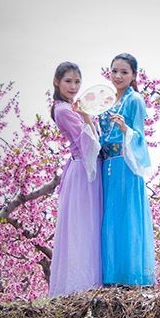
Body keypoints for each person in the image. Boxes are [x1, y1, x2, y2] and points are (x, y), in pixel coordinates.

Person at [98, 53, 156, 286]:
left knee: (127, 217)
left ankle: (130, 275)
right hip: (106, 164)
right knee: (109, 218)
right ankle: (110, 276)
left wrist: (125, 130)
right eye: (114, 71)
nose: (118, 76)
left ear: (133, 75)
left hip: (126, 164)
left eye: (124, 72)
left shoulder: (135, 100)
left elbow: (140, 137)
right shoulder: (105, 100)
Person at [47, 62, 102, 296]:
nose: (73, 86)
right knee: (83, 226)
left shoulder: (70, 107)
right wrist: (87, 117)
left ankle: (87, 283)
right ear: (57, 82)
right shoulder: (63, 110)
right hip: (83, 170)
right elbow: (89, 142)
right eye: (68, 81)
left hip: (83, 168)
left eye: (77, 82)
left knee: (87, 224)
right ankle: (80, 285)